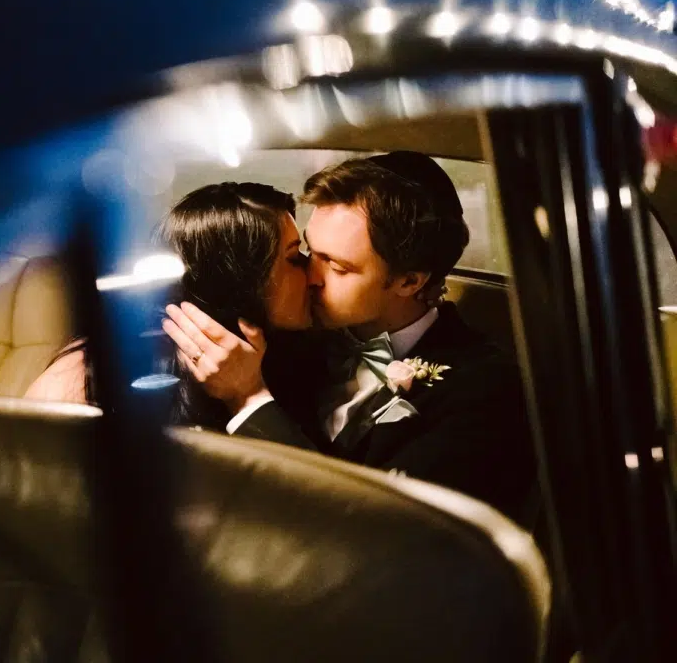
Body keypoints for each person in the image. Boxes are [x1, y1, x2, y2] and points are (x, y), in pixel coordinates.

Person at [163, 152, 535, 524]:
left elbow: (373, 532)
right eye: (308, 252)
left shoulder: (484, 392)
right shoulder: (282, 343)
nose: (310, 276)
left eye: (337, 266)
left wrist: (250, 399)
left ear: (409, 281)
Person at [24, 181, 313, 432]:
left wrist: (250, 393)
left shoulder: (292, 356)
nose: (312, 272)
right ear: (240, 283)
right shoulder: (93, 373)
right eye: (293, 257)